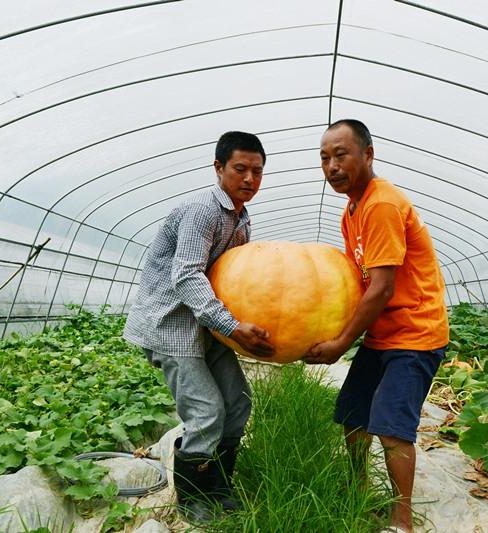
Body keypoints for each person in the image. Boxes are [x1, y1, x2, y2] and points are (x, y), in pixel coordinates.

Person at [305, 119, 449, 533]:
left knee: (391, 429)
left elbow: (382, 287)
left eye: (341, 155)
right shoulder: (351, 210)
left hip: (415, 333)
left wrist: (339, 343)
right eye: (325, 158)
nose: (332, 166)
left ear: (368, 154)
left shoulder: (380, 205)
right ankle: (357, 489)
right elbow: (358, 282)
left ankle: (401, 521)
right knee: (353, 414)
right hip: (383, 333)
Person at [123, 131, 275, 522]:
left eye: (257, 172)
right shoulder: (203, 210)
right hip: (172, 324)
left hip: (207, 325)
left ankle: (219, 488)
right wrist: (232, 324)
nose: (249, 179)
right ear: (218, 167)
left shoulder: (242, 219)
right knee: (206, 413)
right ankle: (190, 498)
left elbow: (233, 279)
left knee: (237, 404)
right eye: (240, 169)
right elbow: (187, 275)